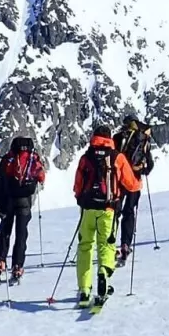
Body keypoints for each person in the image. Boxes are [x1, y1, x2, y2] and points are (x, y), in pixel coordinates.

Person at [71, 125, 141, 308]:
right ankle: (104, 272)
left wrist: (81, 199)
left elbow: (77, 185)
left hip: (87, 210)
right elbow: (132, 185)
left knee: (85, 247)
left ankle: (84, 289)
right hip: (108, 210)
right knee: (107, 245)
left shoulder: (86, 157)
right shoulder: (117, 157)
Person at [0, 135, 46, 282]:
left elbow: (0, 177)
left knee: (5, 231)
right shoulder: (32, 159)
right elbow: (41, 176)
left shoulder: (8, 159)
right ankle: (17, 265)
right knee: (21, 234)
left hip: (8, 199)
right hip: (24, 201)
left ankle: (0, 261)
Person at [113, 117, 155, 264]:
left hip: (118, 181)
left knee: (114, 211)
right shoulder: (143, 140)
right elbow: (149, 166)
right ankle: (125, 245)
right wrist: (141, 168)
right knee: (129, 212)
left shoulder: (118, 137)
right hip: (134, 182)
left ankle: (110, 244)